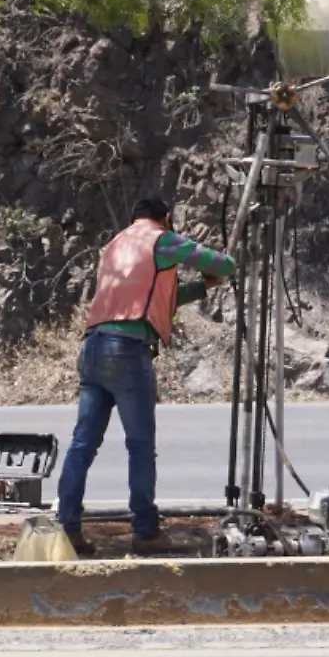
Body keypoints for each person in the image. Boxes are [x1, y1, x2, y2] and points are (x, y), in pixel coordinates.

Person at [55, 196, 234, 556]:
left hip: (93, 346)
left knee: (82, 445)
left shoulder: (114, 245)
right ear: (166, 218)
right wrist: (216, 272)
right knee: (139, 446)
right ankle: (146, 531)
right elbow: (221, 262)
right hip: (126, 350)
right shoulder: (162, 239)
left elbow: (151, 300)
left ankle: (67, 528)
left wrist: (201, 288)